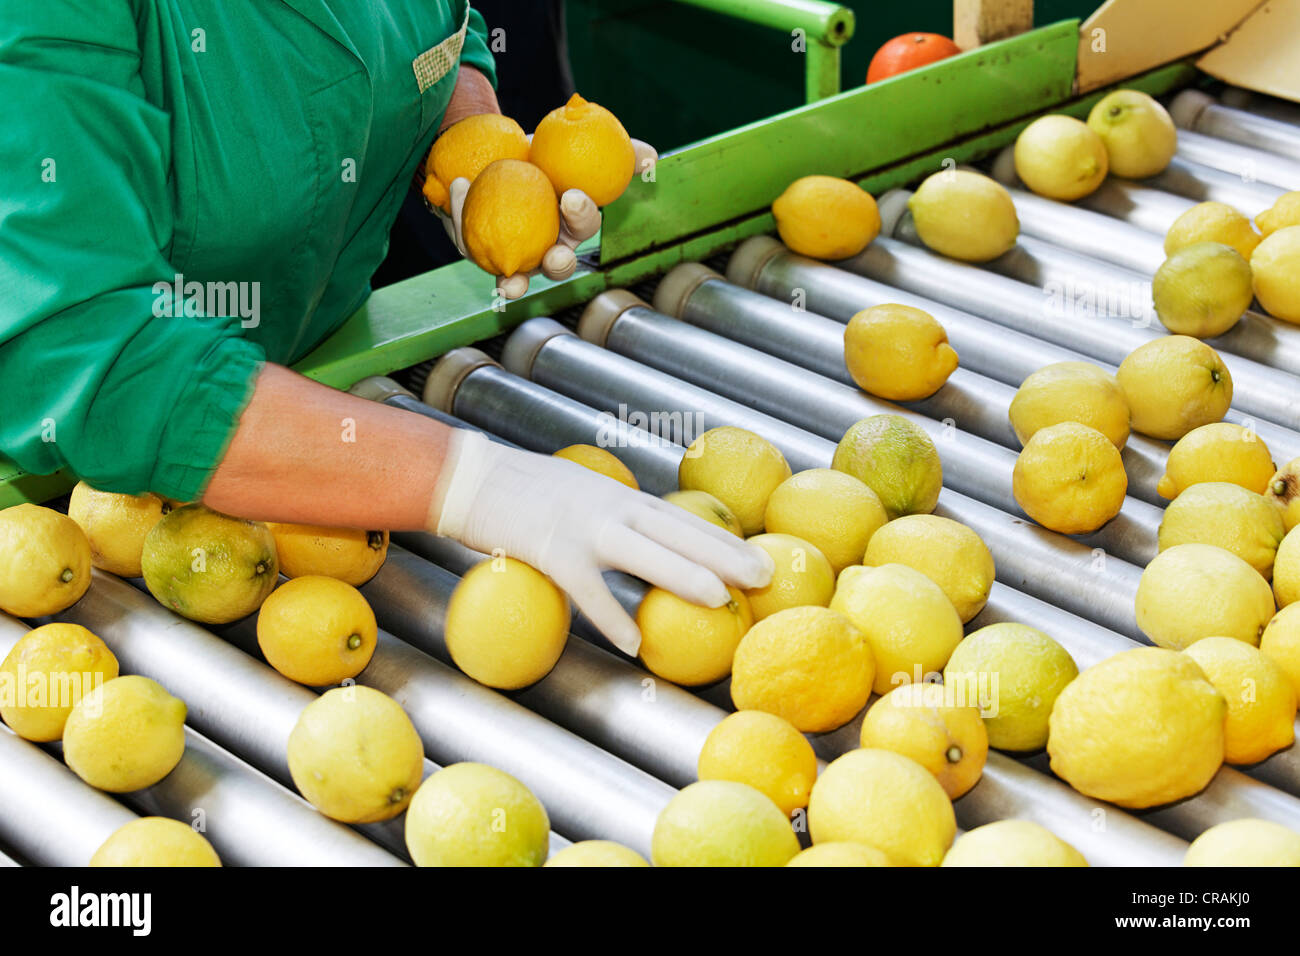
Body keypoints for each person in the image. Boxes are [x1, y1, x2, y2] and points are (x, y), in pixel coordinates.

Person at [0, 1, 771, 655]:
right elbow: (83, 347)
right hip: (58, 475)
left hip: (306, 401)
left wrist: (476, 154)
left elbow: (438, 33)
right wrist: (471, 484)